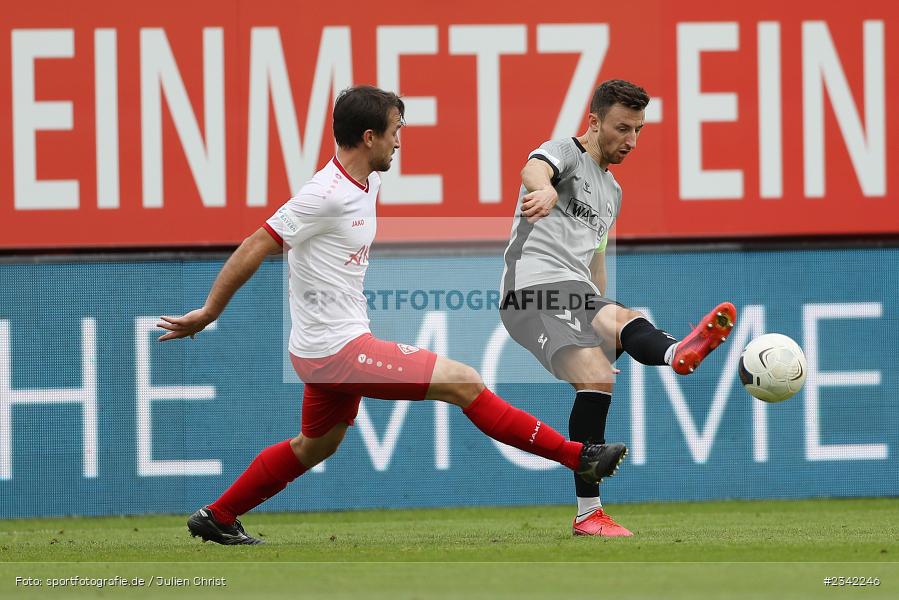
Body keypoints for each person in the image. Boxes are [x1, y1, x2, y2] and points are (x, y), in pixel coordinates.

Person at [157, 85, 628, 545]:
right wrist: (209, 312)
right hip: (336, 349)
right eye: (395, 130)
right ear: (369, 137)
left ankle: (218, 515)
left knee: (315, 445)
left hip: (325, 346)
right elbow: (255, 245)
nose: (399, 141)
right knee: (463, 381)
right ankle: (578, 457)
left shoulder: (369, 181)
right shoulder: (324, 194)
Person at [499, 79, 736, 538]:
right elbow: (533, 168)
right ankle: (673, 351)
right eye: (622, 128)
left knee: (604, 363)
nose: (631, 141)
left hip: (576, 290)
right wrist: (544, 190)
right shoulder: (566, 153)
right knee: (605, 351)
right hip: (530, 289)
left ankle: (589, 514)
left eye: (638, 130)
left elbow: (596, 262)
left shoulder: (613, 192)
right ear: (594, 122)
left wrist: (604, 328)